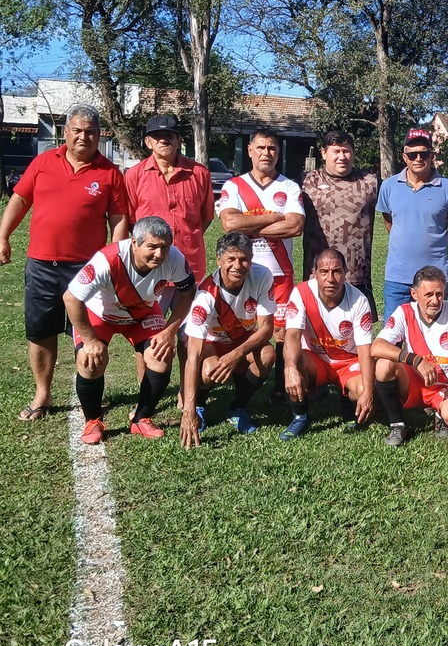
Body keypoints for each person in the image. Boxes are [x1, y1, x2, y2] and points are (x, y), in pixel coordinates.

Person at [0, 104, 129, 421]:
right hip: (42, 264)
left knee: (87, 334)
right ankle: (42, 395)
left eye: (90, 132)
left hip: (87, 270)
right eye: (77, 130)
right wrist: (3, 237)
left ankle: (89, 399)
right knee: (40, 332)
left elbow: (120, 220)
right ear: (66, 132)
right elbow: (19, 200)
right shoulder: (43, 162)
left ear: (99, 136)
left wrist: (112, 262)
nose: (83, 136)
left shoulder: (110, 173)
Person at [63, 216, 195, 443]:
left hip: (141, 313)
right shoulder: (107, 260)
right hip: (101, 314)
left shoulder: (174, 258)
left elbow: (187, 292)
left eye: (164, 247)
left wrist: (169, 331)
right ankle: (93, 420)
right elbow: (71, 298)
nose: (159, 254)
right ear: (134, 242)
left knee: (161, 356)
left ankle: (141, 418)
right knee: (90, 359)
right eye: (151, 247)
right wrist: (89, 339)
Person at [218, 127, 304, 401]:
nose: (267, 153)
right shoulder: (235, 185)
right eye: (261, 148)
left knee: (281, 332)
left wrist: (248, 227)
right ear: (250, 151)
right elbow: (229, 223)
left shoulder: (289, 186)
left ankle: (279, 389)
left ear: (278, 153)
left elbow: (296, 225)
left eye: (272, 149)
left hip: (280, 272)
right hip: (241, 273)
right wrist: (272, 218)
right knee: (239, 326)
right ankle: (238, 376)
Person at [370, 264, 448, 446]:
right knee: (383, 365)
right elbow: (377, 347)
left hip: (447, 387)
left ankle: (440, 414)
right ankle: (397, 423)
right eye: (428, 295)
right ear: (414, 294)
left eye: (439, 294)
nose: (435, 301)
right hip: (413, 382)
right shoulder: (405, 312)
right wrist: (415, 359)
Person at [179, 232, 277, 448]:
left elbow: (266, 328)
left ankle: (238, 407)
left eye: (244, 259)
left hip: (242, 343)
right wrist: (188, 409)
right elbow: (193, 354)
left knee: (267, 354)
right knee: (207, 371)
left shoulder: (262, 276)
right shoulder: (205, 295)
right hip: (213, 346)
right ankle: (200, 407)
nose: (238, 266)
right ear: (219, 260)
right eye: (231, 259)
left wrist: (236, 355)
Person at [281, 248, 374, 441]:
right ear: (314, 274)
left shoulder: (359, 300)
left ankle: (348, 404)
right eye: (324, 272)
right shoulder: (301, 293)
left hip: (348, 363)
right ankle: (300, 417)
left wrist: (370, 391)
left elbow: (365, 351)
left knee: (365, 388)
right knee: (295, 363)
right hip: (316, 361)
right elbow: (292, 336)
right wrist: (289, 368)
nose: (330, 278)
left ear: (345, 273)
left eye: (336, 271)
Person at [376, 129, 448, 323]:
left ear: (432, 155)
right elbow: (388, 220)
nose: (418, 158)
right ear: (404, 157)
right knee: (393, 334)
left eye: (424, 153)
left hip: (436, 276)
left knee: (435, 330)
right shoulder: (388, 186)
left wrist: (438, 241)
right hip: (397, 276)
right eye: (412, 154)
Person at [124, 114, 214, 280]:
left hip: (189, 261)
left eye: (169, 136)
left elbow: (207, 217)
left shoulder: (199, 174)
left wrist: (187, 236)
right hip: (149, 263)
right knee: (149, 307)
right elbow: (130, 220)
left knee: (190, 307)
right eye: (157, 136)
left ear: (179, 141)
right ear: (147, 142)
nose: (163, 140)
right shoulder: (133, 175)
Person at [301, 129, 378, 318]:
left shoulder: (371, 182)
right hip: (318, 274)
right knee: (315, 335)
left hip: (357, 276)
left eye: (346, 151)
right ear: (324, 153)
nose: (342, 156)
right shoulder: (307, 181)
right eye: (336, 151)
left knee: (356, 337)